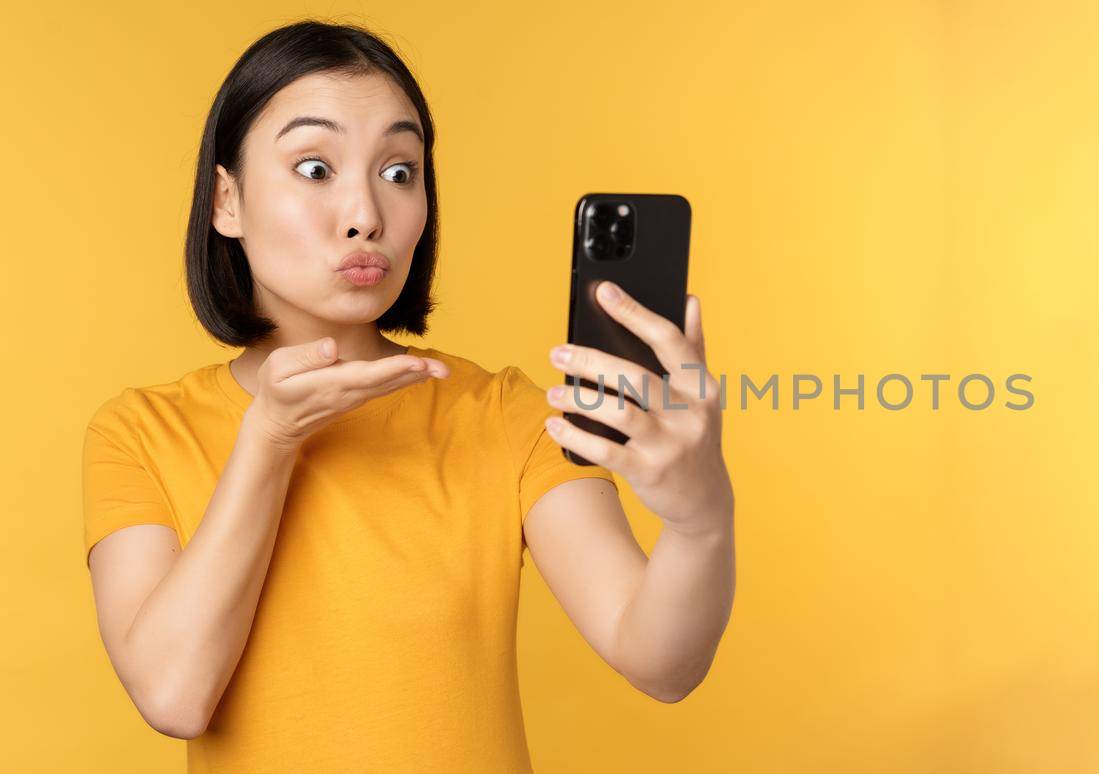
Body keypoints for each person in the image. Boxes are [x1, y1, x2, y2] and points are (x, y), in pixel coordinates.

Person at [80, 20, 735, 772]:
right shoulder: (139, 433)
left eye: (399, 171)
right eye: (315, 168)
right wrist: (269, 440)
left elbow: (660, 661)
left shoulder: (502, 416)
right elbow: (173, 694)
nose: (366, 215)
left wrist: (700, 521)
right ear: (226, 201)